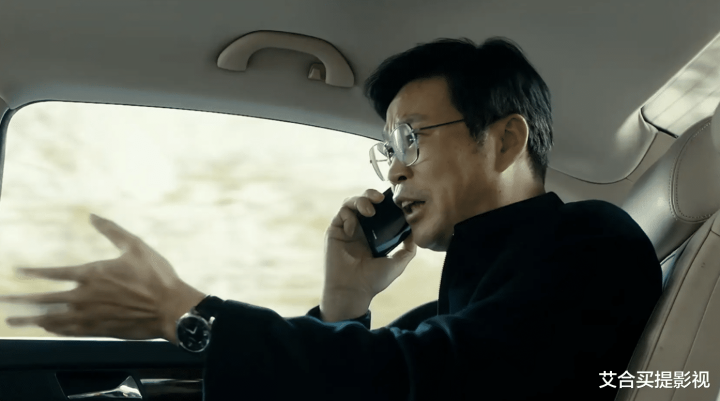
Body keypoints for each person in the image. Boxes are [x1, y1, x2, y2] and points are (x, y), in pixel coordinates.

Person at [0, 37, 661, 401]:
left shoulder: (593, 243)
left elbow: (435, 382)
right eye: (387, 151)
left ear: (506, 140)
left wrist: (190, 314)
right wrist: (346, 302)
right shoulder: (462, 301)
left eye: (410, 141)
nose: (394, 171)